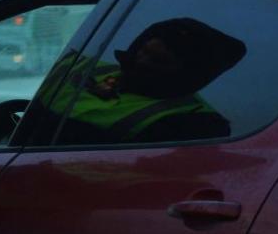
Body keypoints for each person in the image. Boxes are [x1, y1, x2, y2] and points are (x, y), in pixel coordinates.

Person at [43, 17, 247, 145]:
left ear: (187, 75)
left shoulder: (193, 124)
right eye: (144, 50)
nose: (141, 61)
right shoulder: (82, 66)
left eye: (159, 61)